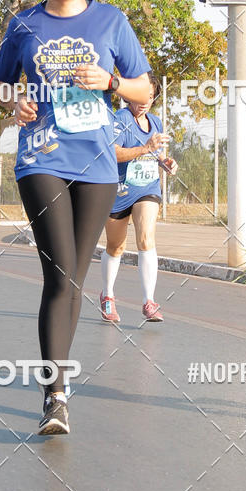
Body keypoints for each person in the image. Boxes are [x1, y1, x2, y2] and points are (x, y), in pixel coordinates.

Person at [0, 0, 151, 436]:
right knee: (59, 273)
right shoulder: (24, 23)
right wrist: (11, 102)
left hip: (99, 164)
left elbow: (144, 87)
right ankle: (55, 395)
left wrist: (112, 83)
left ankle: (57, 386)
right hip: (41, 158)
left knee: (74, 279)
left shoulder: (112, 20)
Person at [100, 73, 177, 323]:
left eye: (151, 96)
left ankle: (149, 301)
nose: (146, 101)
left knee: (146, 237)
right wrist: (145, 148)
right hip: (119, 190)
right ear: (130, 95)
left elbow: (157, 155)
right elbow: (113, 153)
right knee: (116, 246)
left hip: (147, 188)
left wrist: (166, 163)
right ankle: (108, 295)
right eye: (142, 95)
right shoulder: (119, 119)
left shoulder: (156, 123)